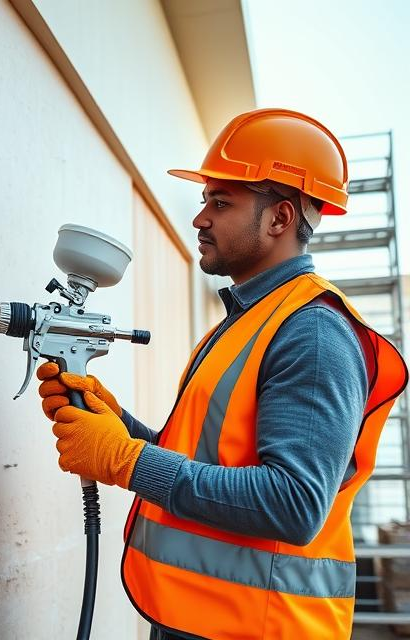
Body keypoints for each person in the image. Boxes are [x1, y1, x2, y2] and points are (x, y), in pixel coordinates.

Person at [37, 108, 408, 640]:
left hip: (262, 628)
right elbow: (204, 460)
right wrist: (118, 424)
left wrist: (124, 458)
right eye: (204, 200)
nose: (199, 218)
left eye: (220, 202)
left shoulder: (313, 333)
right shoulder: (247, 321)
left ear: (280, 218)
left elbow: (293, 503)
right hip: (204, 619)